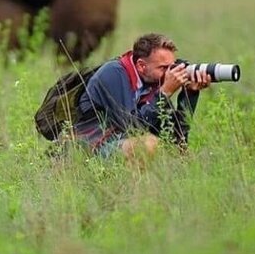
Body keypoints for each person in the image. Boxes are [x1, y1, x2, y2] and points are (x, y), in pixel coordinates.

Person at [73, 32, 211, 159]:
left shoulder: (152, 82)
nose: (170, 73)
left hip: (120, 142)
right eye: (163, 67)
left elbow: (175, 137)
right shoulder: (114, 73)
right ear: (141, 66)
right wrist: (164, 93)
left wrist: (190, 93)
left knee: (176, 152)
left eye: (171, 67)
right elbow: (132, 128)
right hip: (91, 148)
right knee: (147, 145)